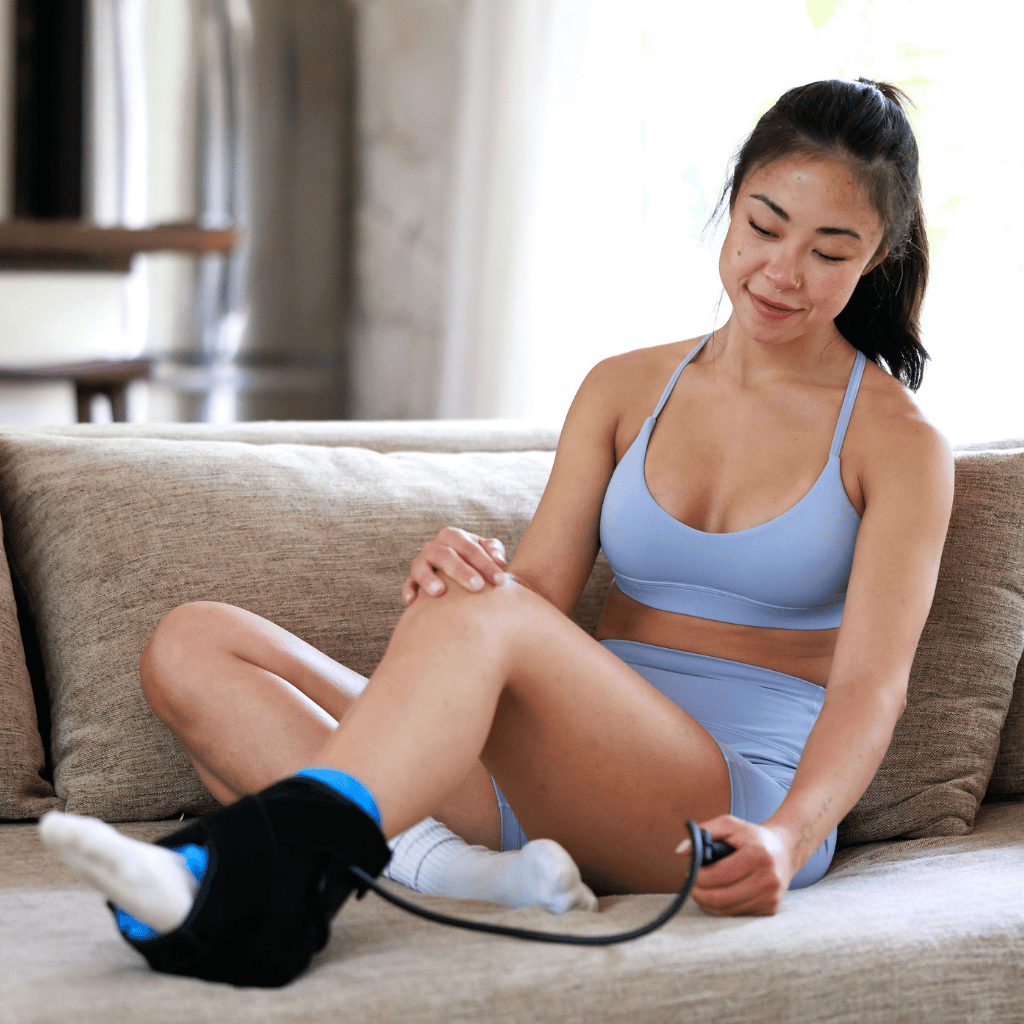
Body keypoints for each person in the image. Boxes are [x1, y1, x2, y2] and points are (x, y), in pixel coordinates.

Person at [40, 77, 954, 986]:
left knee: (494, 614)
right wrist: (463, 582)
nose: (783, 272)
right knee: (196, 641)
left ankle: (267, 881)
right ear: (730, 204)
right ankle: (471, 876)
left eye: (831, 251)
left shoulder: (897, 443)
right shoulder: (625, 388)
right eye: (764, 226)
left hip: (725, 802)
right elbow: (540, 599)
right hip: (555, 776)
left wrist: (787, 839)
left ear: (877, 255)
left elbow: (871, 690)